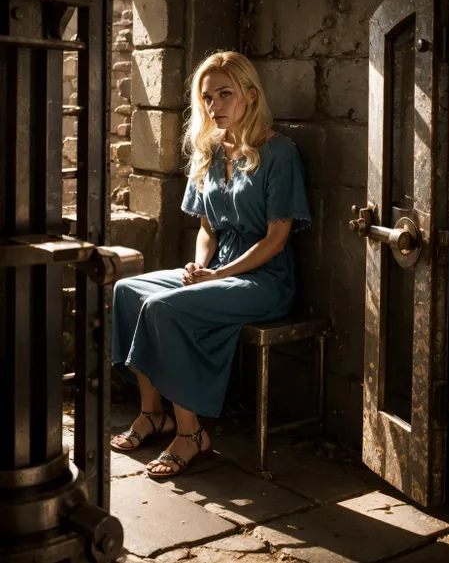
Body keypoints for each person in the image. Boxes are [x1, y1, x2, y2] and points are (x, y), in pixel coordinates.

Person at [110, 51, 311, 479]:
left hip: (263, 279)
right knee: (127, 291)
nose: (213, 105)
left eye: (224, 94)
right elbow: (207, 230)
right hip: (217, 268)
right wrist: (198, 267)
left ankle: (190, 434)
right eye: (207, 97)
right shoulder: (208, 152)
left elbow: (276, 240)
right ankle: (152, 413)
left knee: (166, 308)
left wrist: (218, 275)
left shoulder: (279, 153)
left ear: (250, 96)